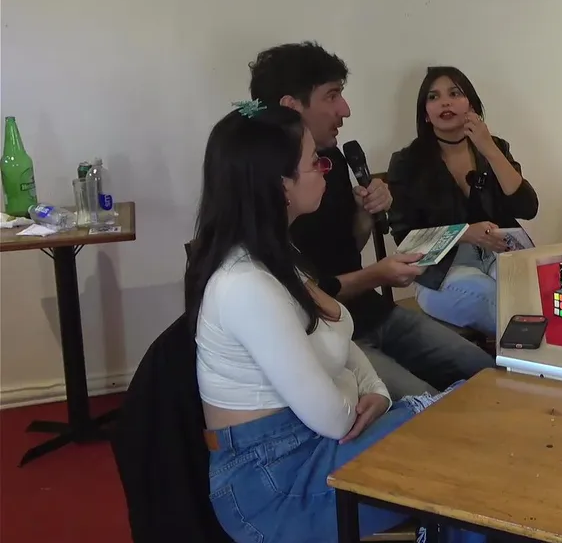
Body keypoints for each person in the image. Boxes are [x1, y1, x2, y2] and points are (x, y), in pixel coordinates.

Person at [187, 102, 481, 542]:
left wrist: (375, 390)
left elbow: (342, 340)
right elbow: (336, 419)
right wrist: (355, 390)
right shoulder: (244, 284)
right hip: (276, 484)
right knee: (465, 443)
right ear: (280, 185)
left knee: (471, 419)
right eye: (314, 162)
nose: (325, 169)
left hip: (307, 446)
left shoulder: (278, 254)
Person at [249, 42, 493, 398]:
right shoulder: (258, 190)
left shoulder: (331, 159)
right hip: (327, 337)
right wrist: (378, 274)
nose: (345, 110)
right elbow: (306, 295)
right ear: (291, 106)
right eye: (332, 96)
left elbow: (345, 249)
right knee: (426, 406)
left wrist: (364, 212)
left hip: (372, 312)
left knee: (486, 371)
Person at [387, 67, 538, 337]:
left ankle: (536, 352)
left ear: (471, 106)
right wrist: (464, 234)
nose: (445, 102)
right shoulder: (408, 162)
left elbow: (528, 208)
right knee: (496, 297)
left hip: (498, 254)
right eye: (434, 97)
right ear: (426, 113)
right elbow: (407, 240)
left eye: (454, 94)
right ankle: (542, 350)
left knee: (530, 287)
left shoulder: (494, 147)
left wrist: (489, 149)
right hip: (441, 270)